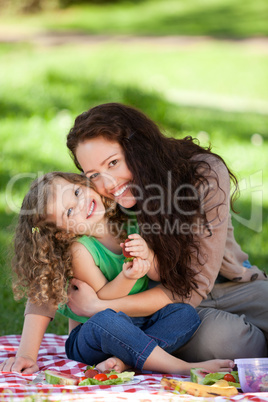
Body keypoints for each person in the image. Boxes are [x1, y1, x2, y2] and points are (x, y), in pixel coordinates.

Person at [63, 102, 268, 361]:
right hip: (161, 306)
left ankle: (136, 351)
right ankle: (145, 350)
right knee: (236, 344)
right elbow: (50, 239)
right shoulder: (97, 200)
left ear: (139, 148)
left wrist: (99, 307)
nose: (108, 184)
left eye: (113, 162)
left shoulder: (202, 173)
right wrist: (27, 349)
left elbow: (197, 285)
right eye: (93, 175)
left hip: (229, 285)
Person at [0, 171, 233, 375]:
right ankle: (180, 367)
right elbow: (103, 299)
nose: (81, 205)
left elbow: (159, 276)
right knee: (108, 320)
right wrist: (128, 277)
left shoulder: (129, 223)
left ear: (83, 183)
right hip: (93, 334)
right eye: (69, 211)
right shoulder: (80, 250)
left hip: (135, 324)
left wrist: (150, 259)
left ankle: (125, 363)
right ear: (62, 234)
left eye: (77, 193)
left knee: (185, 314)